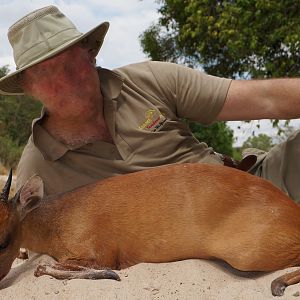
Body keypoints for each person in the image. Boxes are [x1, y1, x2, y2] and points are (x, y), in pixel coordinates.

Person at [0, 5, 300, 201]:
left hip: (257, 187)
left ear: (90, 54)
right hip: (197, 239)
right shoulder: (37, 170)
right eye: (45, 73)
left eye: (69, 63)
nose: (64, 82)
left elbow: (266, 99)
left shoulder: (151, 80)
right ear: (28, 88)